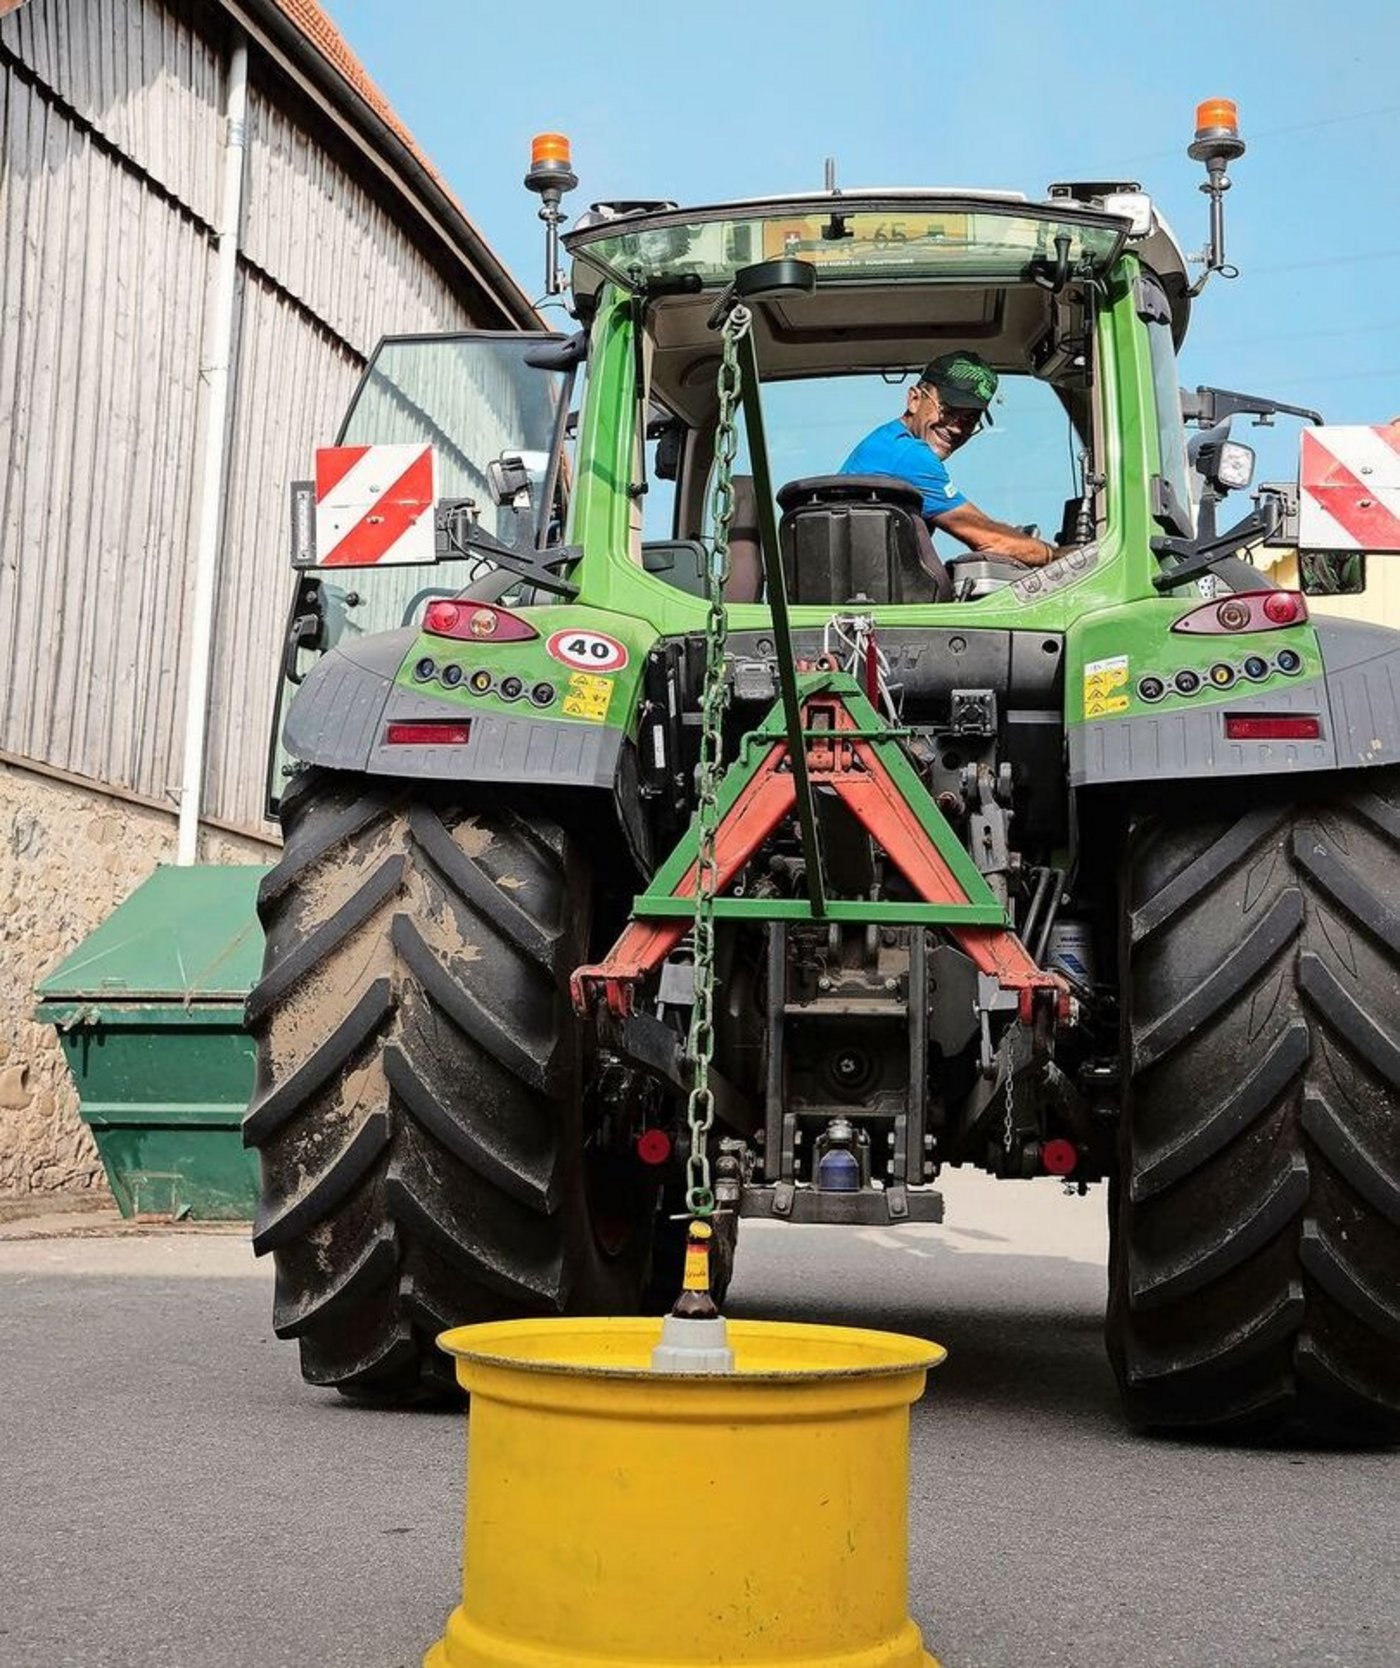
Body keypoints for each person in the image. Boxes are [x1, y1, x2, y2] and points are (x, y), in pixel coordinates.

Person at [841, 352, 1058, 565]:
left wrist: (1014, 537)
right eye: (948, 411)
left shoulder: (888, 441)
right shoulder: (910, 456)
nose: (956, 428)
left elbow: (983, 526)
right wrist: (1057, 555)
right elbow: (991, 541)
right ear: (915, 399)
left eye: (969, 419)